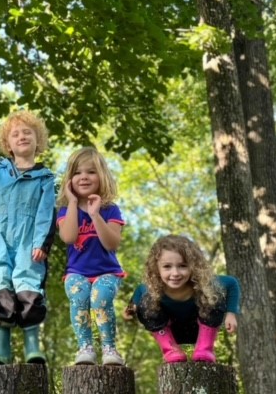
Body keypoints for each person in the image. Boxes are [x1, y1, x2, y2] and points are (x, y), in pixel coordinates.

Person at [0, 109, 56, 367]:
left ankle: (32, 346)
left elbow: (46, 214)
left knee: (27, 287)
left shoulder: (45, 178)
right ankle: (1, 349)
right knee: (0, 288)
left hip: (29, 243)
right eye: (15, 134)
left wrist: (42, 243)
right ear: (7, 144)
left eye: (27, 132)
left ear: (38, 141)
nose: (21, 137)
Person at [57, 146, 126, 366]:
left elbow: (112, 243)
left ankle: (109, 348)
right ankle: (85, 347)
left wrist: (95, 214)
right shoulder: (66, 210)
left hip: (107, 272)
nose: (83, 177)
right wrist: (74, 203)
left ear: (101, 176)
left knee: (100, 297)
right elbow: (68, 237)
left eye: (90, 172)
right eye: (77, 173)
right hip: (77, 273)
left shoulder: (110, 209)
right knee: (79, 297)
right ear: (69, 179)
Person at [124, 234, 240, 363]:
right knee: (146, 301)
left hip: (200, 329)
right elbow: (140, 290)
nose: (175, 273)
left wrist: (231, 313)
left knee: (212, 292)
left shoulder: (204, 283)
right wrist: (131, 307)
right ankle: (170, 350)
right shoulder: (151, 288)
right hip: (170, 331)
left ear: (193, 266)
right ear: (156, 268)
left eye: (183, 266)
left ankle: (204, 349)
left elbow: (231, 283)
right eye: (167, 266)